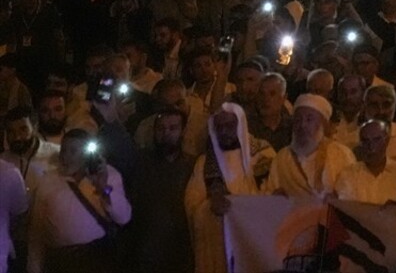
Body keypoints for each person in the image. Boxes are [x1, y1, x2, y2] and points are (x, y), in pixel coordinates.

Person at [28, 129, 131, 273]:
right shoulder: (48, 180)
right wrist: (34, 267)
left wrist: (103, 188)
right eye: (64, 150)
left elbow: (124, 217)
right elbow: (37, 228)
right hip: (60, 262)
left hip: (97, 259)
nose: (66, 157)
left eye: (73, 151)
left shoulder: (109, 175)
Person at [184, 103, 270, 273]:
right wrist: (210, 205)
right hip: (218, 247)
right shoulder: (205, 163)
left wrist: (239, 207)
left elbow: (272, 195)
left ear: (241, 124)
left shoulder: (263, 154)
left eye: (230, 125)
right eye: (219, 127)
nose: (224, 131)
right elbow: (192, 202)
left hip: (251, 244)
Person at [128, 107, 195, 271]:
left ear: (183, 131)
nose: (166, 133)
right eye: (161, 128)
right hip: (144, 253)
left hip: (181, 254)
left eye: (173, 128)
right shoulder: (141, 162)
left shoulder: (193, 166)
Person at [263, 94, 355, 197]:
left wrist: (336, 198)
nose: (302, 125)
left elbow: (353, 191)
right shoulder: (282, 157)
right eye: (298, 120)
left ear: (322, 124)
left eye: (309, 120)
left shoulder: (341, 153)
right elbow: (270, 192)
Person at [335, 119, 396, 204]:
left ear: (387, 141)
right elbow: (346, 209)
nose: (371, 147)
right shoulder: (348, 174)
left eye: (377, 140)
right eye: (365, 141)